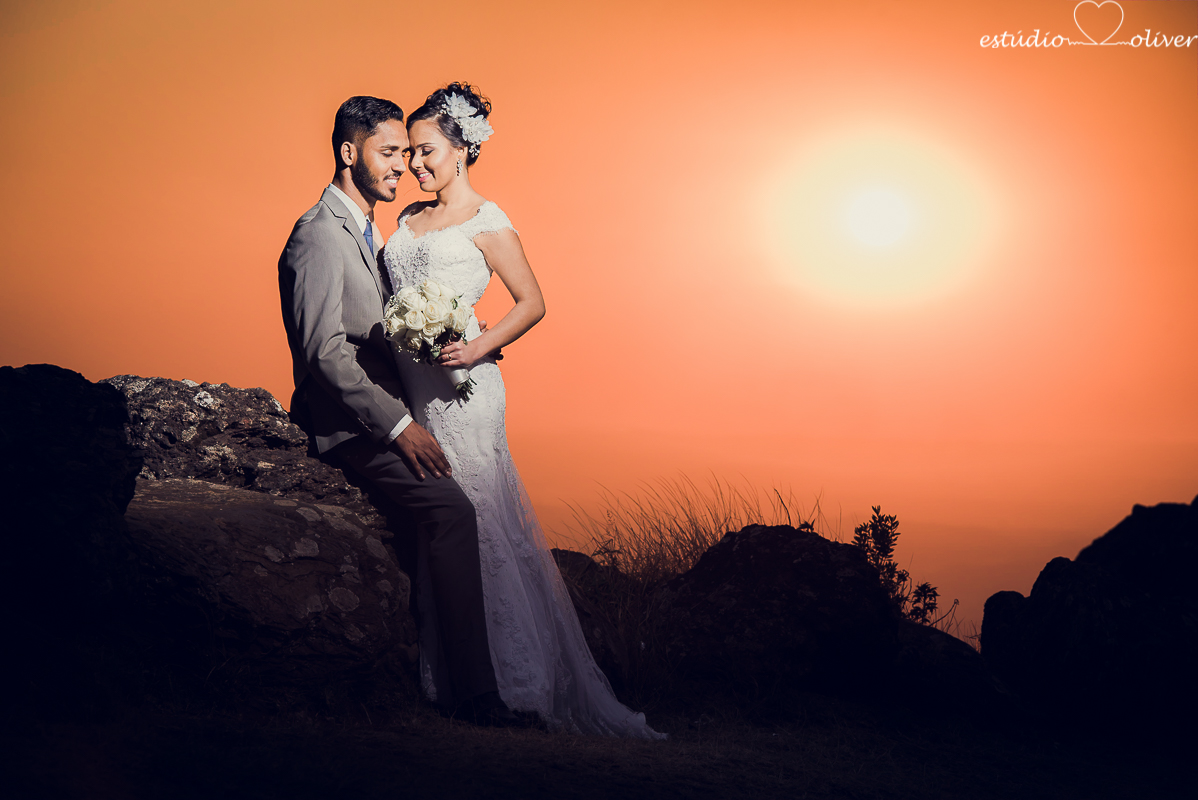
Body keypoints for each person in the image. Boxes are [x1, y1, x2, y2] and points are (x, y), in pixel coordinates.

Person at [382, 82, 665, 738]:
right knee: (438, 518)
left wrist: (476, 345)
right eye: (410, 152)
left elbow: (532, 301)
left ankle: (512, 679)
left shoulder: (487, 220)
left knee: (479, 517)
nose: (415, 163)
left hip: (465, 391)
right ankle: (448, 672)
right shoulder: (407, 220)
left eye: (426, 151)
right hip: (412, 392)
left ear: (462, 150)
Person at [278, 96, 517, 726]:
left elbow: (382, 326)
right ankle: (476, 695)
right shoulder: (318, 234)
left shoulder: (368, 228)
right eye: (388, 153)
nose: (401, 166)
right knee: (452, 510)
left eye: (407, 152)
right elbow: (324, 353)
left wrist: (459, 339)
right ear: (348, 152)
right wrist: (400, 426)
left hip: (400, 407)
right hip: (348, 427)